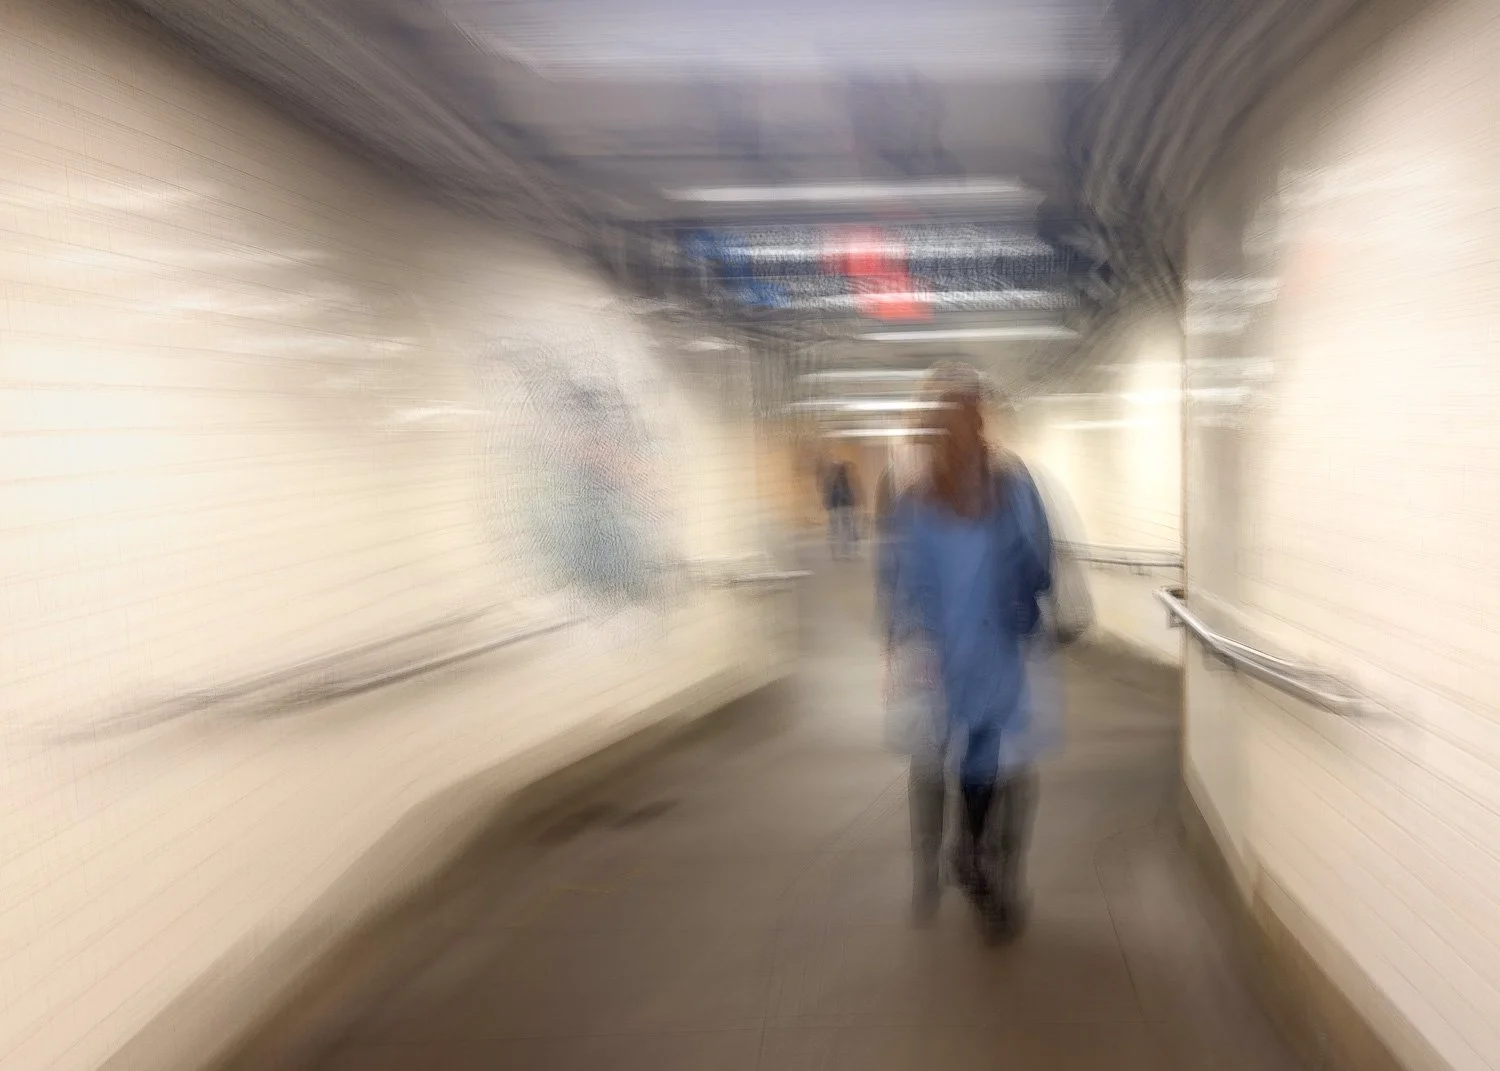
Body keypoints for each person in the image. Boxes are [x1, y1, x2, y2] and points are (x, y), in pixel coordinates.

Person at [882, 382, 1053, 941]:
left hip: (964, 653)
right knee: (992, 766)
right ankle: (977, 868)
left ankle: (961, 865)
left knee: (967, 764)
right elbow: (1040, 562)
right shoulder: (1000, 489)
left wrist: (902, 641)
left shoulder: (926, 498)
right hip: (972, 651)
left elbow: (898, 582)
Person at [823, 461, 860, 559]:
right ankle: (843, 551)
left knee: (837, 529)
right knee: (843, 529)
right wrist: (850, 502)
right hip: (843, 507)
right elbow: (842, 494)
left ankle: (837, 551)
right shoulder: (842, 481)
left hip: (837, 507)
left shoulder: (833, 480)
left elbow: (829, 495)